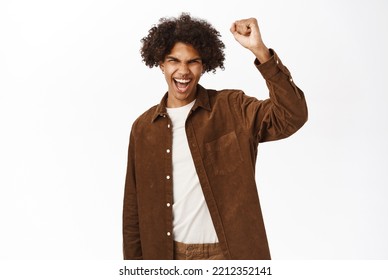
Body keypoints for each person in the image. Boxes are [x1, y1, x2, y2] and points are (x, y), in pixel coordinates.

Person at [123, 13, 308, 260]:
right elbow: (133, 211)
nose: (183, 71)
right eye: (174, 61)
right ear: (161, 64)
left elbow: (291, 115)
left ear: (204, 65)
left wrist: (261, 52)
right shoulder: (143, 128)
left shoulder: (232, 108)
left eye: (193, 62)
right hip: (167, 257)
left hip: (228, 255)